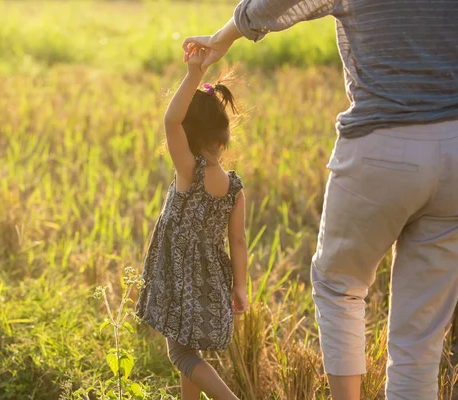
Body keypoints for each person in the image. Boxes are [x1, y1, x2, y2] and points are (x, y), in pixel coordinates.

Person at [182, 1, 458, 399]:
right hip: (454, 149)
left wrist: (222, 37)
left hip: (381, 142)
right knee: (420, 341)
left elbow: (277, 4)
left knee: (340, 286)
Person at [135, 48, 249, 400]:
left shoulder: (189, 172)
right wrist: (240, 288)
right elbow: (239, 242)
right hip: (213, 278)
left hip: (179, 277)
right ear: (224, 135)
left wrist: (192, 77)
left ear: (188, 134)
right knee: (192, 354)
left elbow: (170, 120)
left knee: (180, 355)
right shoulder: (235, 188)